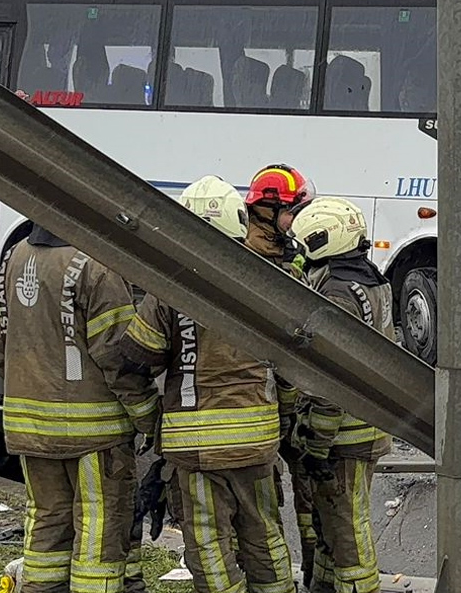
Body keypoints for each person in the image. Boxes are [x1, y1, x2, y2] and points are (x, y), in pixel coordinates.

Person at [121, 175, 294, 593]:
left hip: (196, 446)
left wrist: (152, 424)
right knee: (264, 533)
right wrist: (282, 419)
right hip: (258, 442)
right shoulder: (269, 281)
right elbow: (294, 372)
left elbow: (138, 357)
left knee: (208, 542)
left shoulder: (171, 288)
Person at [0, 224, 153, 593]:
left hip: (29, 428)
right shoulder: (97, 266)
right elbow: (119, 358)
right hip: (95, 433)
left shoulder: (15, 256)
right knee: (100, 529)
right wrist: (148, 417)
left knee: (46, 525)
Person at [287, 197, 394, 593]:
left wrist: (316, 443)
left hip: (343, 433)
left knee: (348, 526)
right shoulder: (371, 278)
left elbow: (332, 382)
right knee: (335, 521)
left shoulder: (335, 293)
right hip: (367, 425)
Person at [243, 163, 319, 583]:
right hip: (264, 409)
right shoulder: (249, 266)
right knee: (264, 510)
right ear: (269, 212)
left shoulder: (291, 262)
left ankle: (309, 575)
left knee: (309, 502)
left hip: (292, 406)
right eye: (293, 210)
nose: (297, 220)